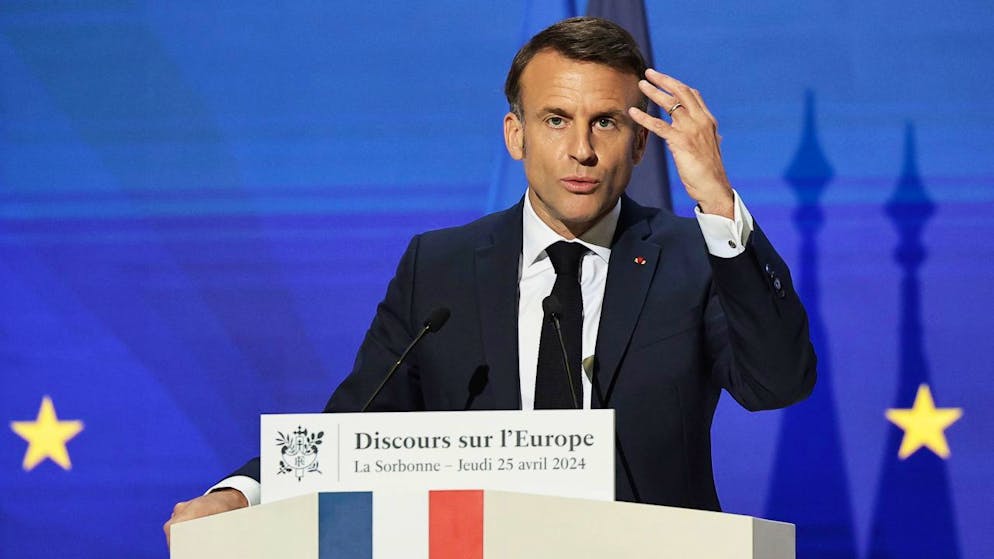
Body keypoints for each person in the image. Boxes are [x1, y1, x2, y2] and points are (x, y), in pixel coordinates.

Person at [164, 16, 815, 545]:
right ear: (516, 134)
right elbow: (351, 429)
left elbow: (778, 381)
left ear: (641, 145)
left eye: (606, 122)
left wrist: (720, 205)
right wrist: (239, 492)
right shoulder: (439, 268)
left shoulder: (692, 255)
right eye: (556, 119)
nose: (581, 150)